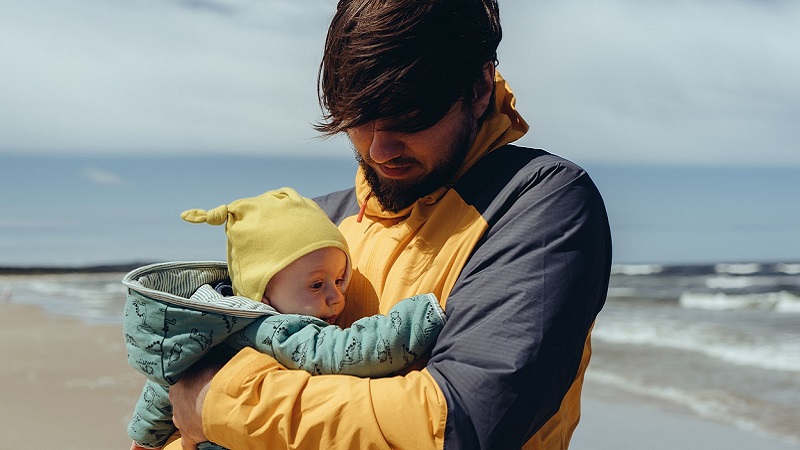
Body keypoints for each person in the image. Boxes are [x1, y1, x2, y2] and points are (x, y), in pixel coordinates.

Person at [166, 0, 613, 449]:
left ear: (478, 88)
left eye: (408, 119)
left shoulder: (538, 202)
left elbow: (456, 424)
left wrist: (219, 401)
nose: (379, 151)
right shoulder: (317, 224)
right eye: (357, 120)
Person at [123, 188, 444, 450]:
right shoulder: (277, 329)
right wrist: (420, 316)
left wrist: (144, 439)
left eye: (339, 279)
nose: (336, 297)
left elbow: (161, 388)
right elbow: (350, 352)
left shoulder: (208, 325)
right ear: (263, 294)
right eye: (317, 285)